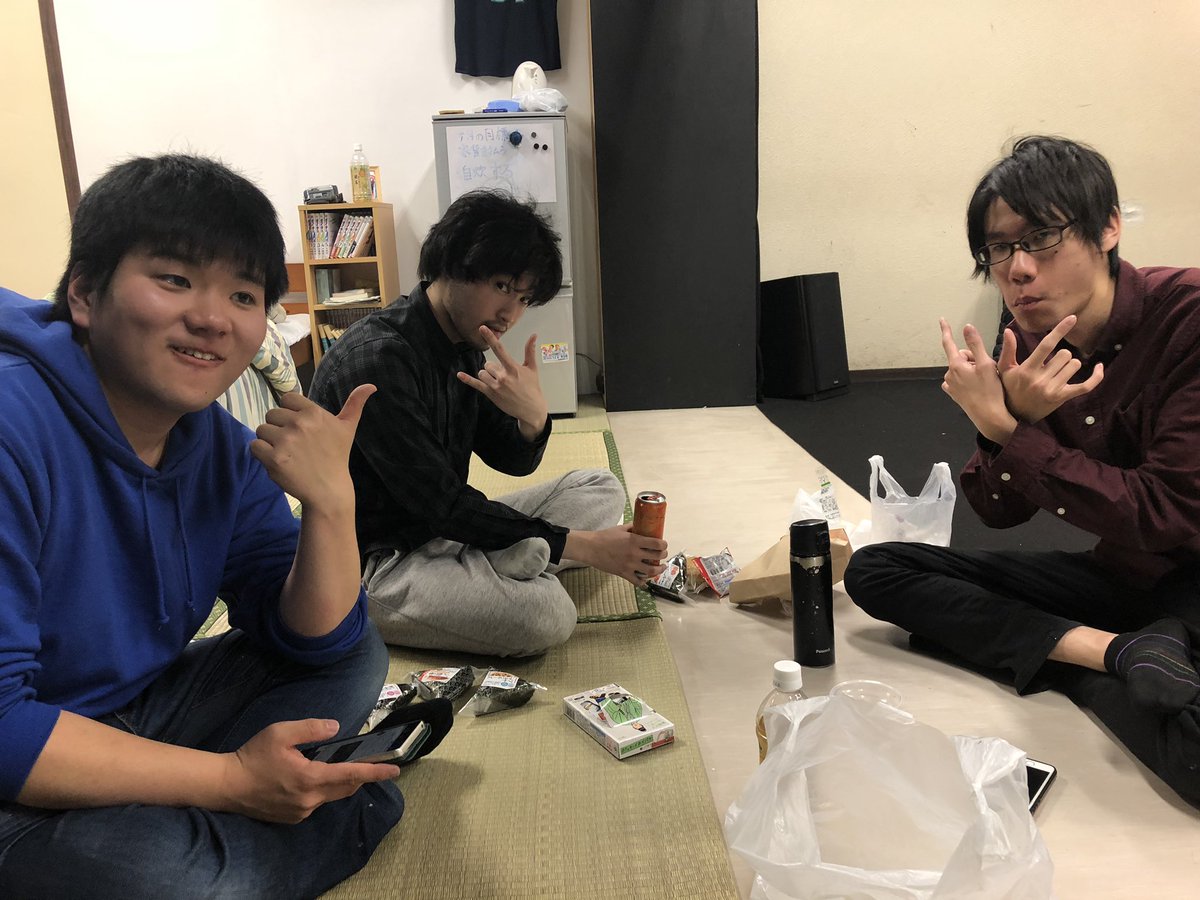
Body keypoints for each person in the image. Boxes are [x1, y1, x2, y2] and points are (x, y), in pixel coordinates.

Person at [0, 154, 404, 897]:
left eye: (243, 294)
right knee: (182, 883)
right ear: (85, 293)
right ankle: (294, 823)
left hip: (135, 708)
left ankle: (194, 821)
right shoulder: (12, 427)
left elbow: (316, 641)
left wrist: (332, 504)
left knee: (355, 651)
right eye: (175, 279)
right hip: (14, 760)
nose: (213, 318)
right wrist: (228, 781)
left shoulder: (216, 443)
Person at [845, 135, 1200, 804]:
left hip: (1191, 577)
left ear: (1108, 227)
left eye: (1040, 238)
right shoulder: (1030, 344)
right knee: (878, 571)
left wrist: (1011, 430)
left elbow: (1164, 512)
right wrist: (1001, 422)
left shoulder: (1188, 317)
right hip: (1124, 577)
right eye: (998, 249)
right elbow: (998, 510)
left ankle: (1080, 657)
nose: (1017, 270)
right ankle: (1117, 654)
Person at [310, 191, 667, 657]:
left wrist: (532, 417)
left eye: (523, 299)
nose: (510, 315)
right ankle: (502, 563)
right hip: (379, 563)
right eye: (501, 286)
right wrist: (585, 547)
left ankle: (497, 561)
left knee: (600, 487)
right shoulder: (377, 361)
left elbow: (507, 460)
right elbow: (442, 503)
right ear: (451, 264)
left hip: (445, 530)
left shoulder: (463, 343)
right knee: (547, 615)